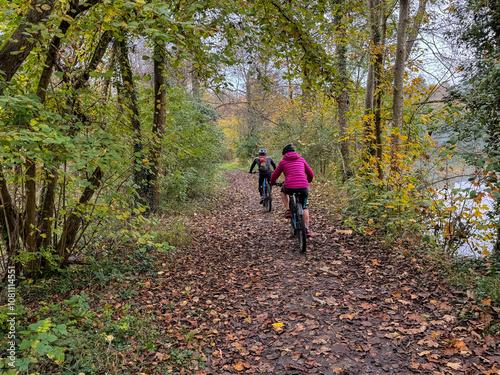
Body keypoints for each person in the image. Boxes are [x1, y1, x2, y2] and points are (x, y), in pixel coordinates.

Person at [270, 144, 314, 236]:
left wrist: (273, 182)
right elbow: (310, 173)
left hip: (289, 187)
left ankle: (288, 209)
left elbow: (275, 174)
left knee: (283, 190)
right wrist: (309, 179)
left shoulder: (283, 162)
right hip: (303, 187)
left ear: (284, 154)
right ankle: (306, 229)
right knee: (304, 206)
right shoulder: (301, 159)